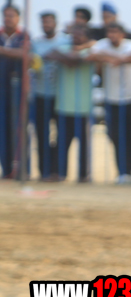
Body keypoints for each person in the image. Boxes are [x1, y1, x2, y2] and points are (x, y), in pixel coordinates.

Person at [90, 23, 131, 183]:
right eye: (110, 32)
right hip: (111, 98)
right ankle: (122, 171)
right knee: (115, 135)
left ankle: (130, 170)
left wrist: (112, 58)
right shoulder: (101, 45)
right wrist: (114, 58)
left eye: (115, 32)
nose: (112, 35)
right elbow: (93, 55)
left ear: (122, 34)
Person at [46, 24, 95, 182]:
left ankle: (83, 175)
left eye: (80, 34)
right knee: (61, 141)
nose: (76, 37)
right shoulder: (65, 47)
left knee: (83, 143)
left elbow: (76, 59)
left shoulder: (90, 50)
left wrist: (68, 58)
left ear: (86, 37)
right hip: (64, 104)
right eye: (74, 34)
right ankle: (59, 172)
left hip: (83, 105)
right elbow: (50, 53)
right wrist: (70, 58)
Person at [30, 11, 63, 181]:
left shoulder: (64, 41)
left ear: (55, 23)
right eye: (43, 22)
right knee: (42, 133)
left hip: (60, 95)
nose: (46, 25)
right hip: (41, 94)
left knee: (60, 134)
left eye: (49, 22)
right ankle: (43, 171)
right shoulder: (36, 43)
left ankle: (56, 170)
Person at [0, 4, 28, 178]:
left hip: (18, 90)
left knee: (19, 129)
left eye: (11, 16)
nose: (8, 19)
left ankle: (22, 169)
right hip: (1, 89)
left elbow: (25, 54)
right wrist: (12, 52)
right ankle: (6, 169)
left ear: (18, 18)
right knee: (2, 130)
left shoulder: (24, 36)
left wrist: (3, 51)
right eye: (5, 15)